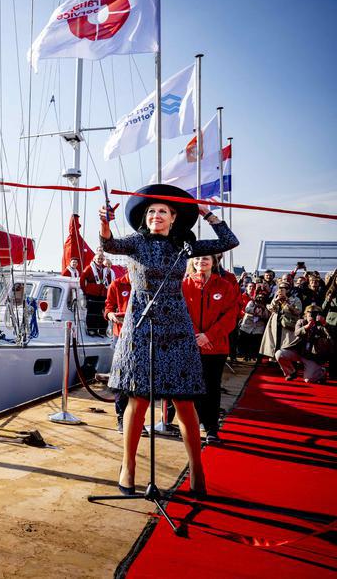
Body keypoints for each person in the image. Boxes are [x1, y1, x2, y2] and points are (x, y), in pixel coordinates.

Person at [98, 183, 238, 498]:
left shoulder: (183, 245)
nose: (157, 215)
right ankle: (128, 468)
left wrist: (209, 215)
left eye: (163, 211)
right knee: (139, 398)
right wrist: (104, 221)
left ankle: (197, 471)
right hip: (141, 325)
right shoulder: (134, 243)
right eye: (152, 211)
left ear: (173, 218)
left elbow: (229, 241)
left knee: (184, 401)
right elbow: (108, 244)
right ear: (144, 218)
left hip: (176, 326)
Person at [183, 255, 239, 443]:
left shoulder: (225, 286)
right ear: (192, 262)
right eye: (197, 259)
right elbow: (180, 313)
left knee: (212, 387)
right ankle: (197, 421)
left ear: (213, 262)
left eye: (206, 258)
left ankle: (212, 428)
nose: (201, 262)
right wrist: (196, 335)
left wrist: (209, 336)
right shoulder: (184, 285)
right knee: (193, 387)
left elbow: (231, 316)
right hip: (191, 346)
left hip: (216, 347)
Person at [276, 304, 332, 383]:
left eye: (315, 313)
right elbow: (297, 332)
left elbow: (330, 335)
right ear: (306, 313)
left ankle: (321, 372)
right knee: (279, 354)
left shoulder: (321, 325)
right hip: (298, 351)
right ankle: (291, 372)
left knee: (309, 380)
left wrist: (324, 324)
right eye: (310, 312)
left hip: (311, 356)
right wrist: (307, 326)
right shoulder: (301, 321)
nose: (312, 314)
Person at [105, 273, 132, 432]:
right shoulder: (117, 284)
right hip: (120, 336)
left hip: (141, 338)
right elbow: (108, 307)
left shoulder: (147, 283)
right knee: (120, 378)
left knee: (138, 380)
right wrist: (111, 315)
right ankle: (122, 416)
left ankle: (135, 419)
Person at [259, 280, 302, 359]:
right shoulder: (276, 298)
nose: (282, 289)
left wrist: (288, 303)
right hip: (276, 323)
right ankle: (273, 357)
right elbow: (271, 309)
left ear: (289, 289)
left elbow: (298, 312)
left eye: (285, 288)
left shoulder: (295, 299)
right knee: (275, 340)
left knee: (286, 342)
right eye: (280, 287)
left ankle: (284, 357)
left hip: (288, 324)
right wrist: (276, 300)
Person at [238, 284, 270, 362]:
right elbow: (247, 309)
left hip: (258, 328)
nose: (260, 299)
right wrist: (256, 309)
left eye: (262, 297)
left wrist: (262, 310)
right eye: (259, 297)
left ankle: (253, 356)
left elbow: (267, 316)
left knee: (255, 343)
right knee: (245, 341)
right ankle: (244, 355)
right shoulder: (251, 303)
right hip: (247, 326)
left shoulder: (266, 306)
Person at [81, 252, 110, 337]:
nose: (100, 260)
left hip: (102, 294)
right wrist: (85, 290)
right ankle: (91, 330)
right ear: (94, 259)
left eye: (101, 259)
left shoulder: (105, 269)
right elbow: (82, 279)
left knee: (101, 313)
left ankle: (101, 330)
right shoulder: (89, 268)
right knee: (92, 312)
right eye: (98, 259)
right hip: (92, 293)